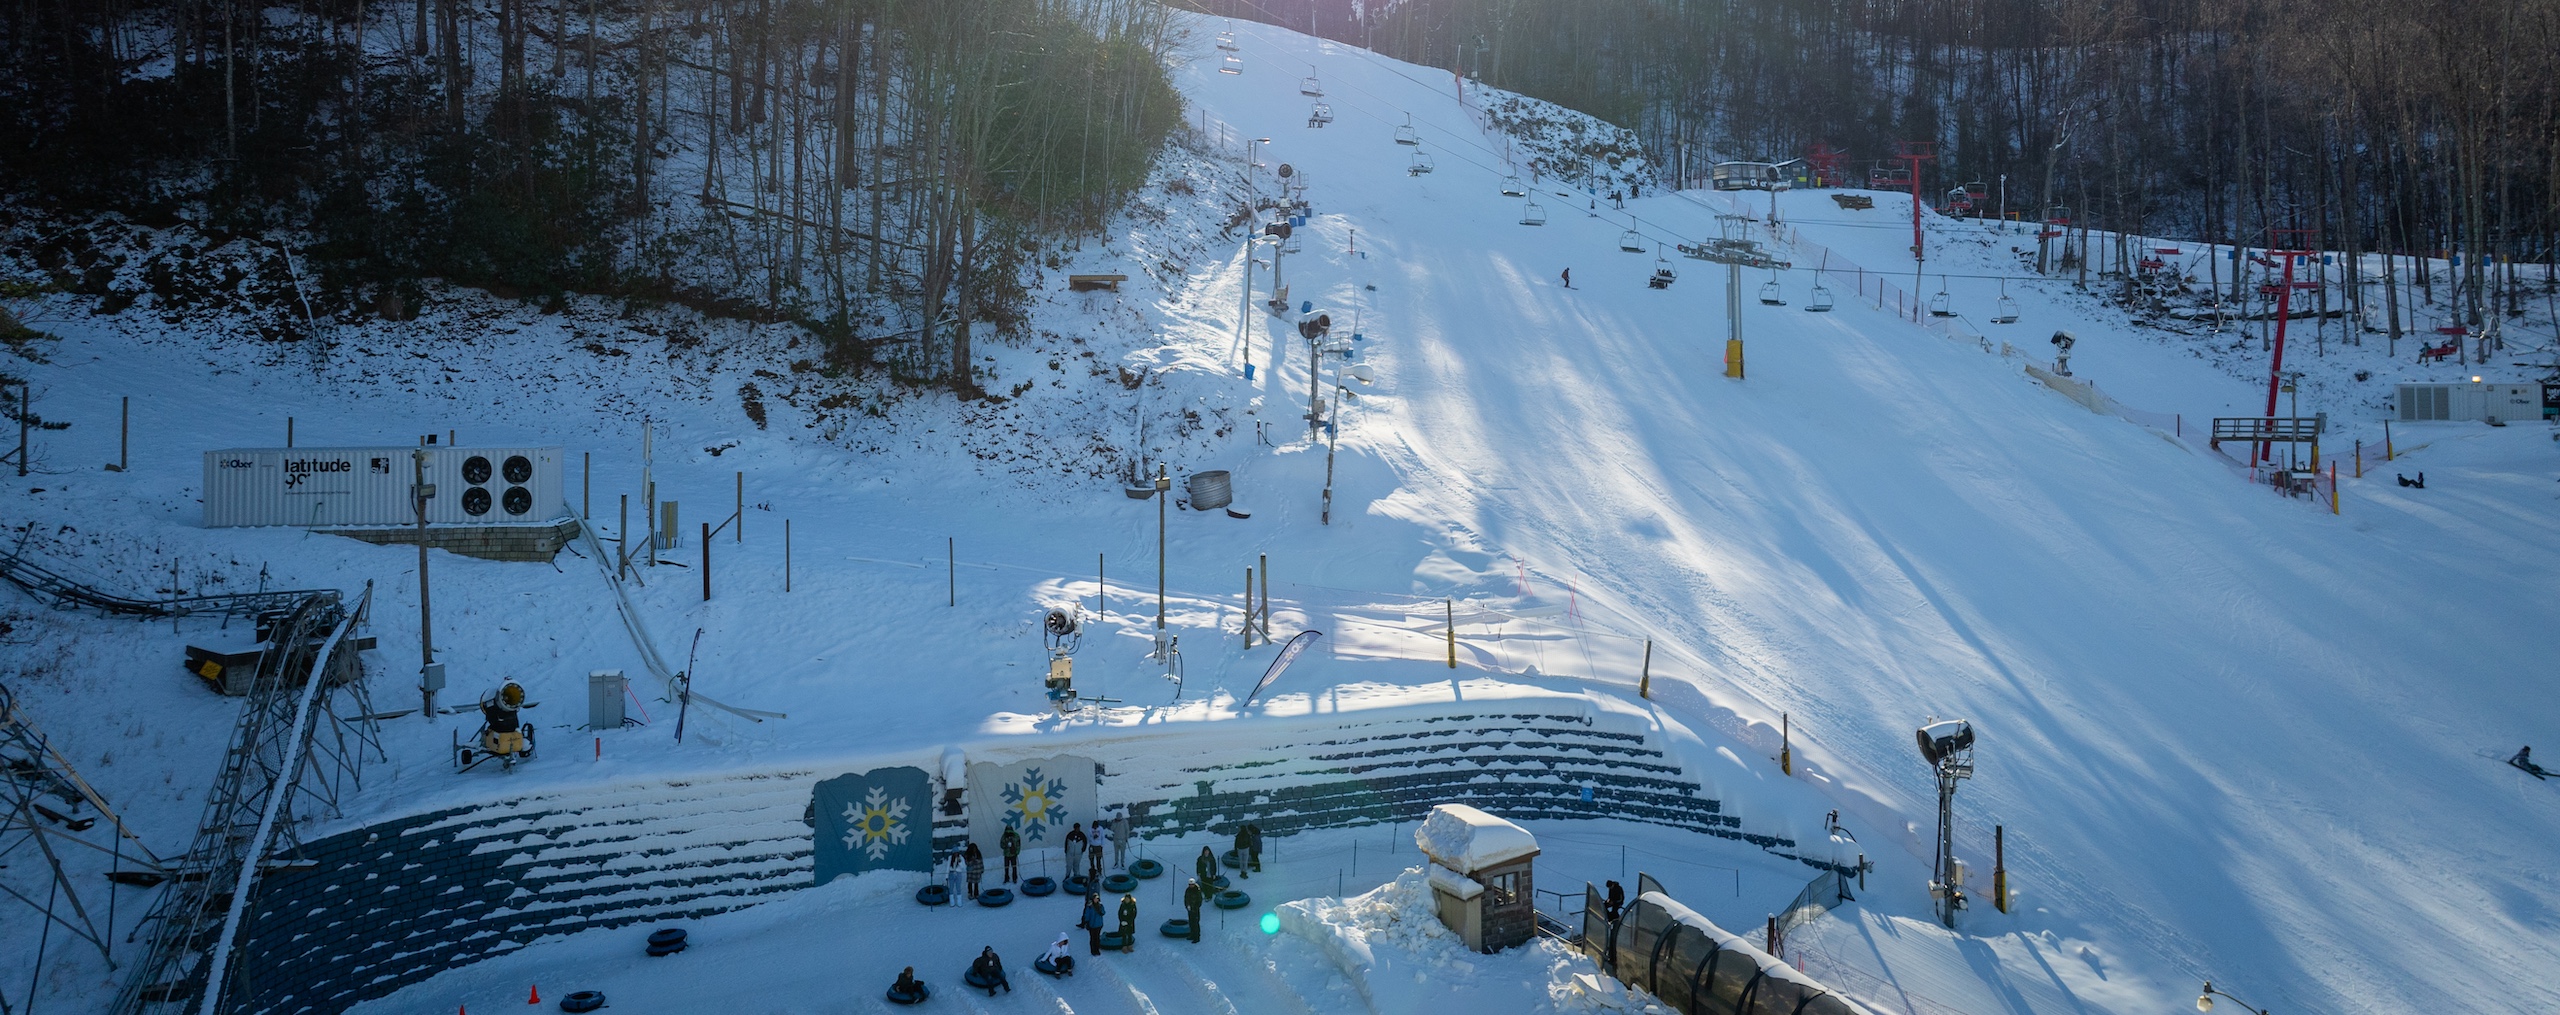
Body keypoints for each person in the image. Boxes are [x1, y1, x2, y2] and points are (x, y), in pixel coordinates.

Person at [1183, 877, 1205, 943]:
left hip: (1195, 909)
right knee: (1191, 923)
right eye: (1190, 884)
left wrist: (1195, 907)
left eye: (1191, 884)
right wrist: (1187, 906)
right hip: (1190, 909)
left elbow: (1199, 900)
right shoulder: (1188, 890)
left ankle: (1197, 937)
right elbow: (1186, 898)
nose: (1190, 886)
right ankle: (1192, 935)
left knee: (1195, 923)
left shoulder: (1197, 890)